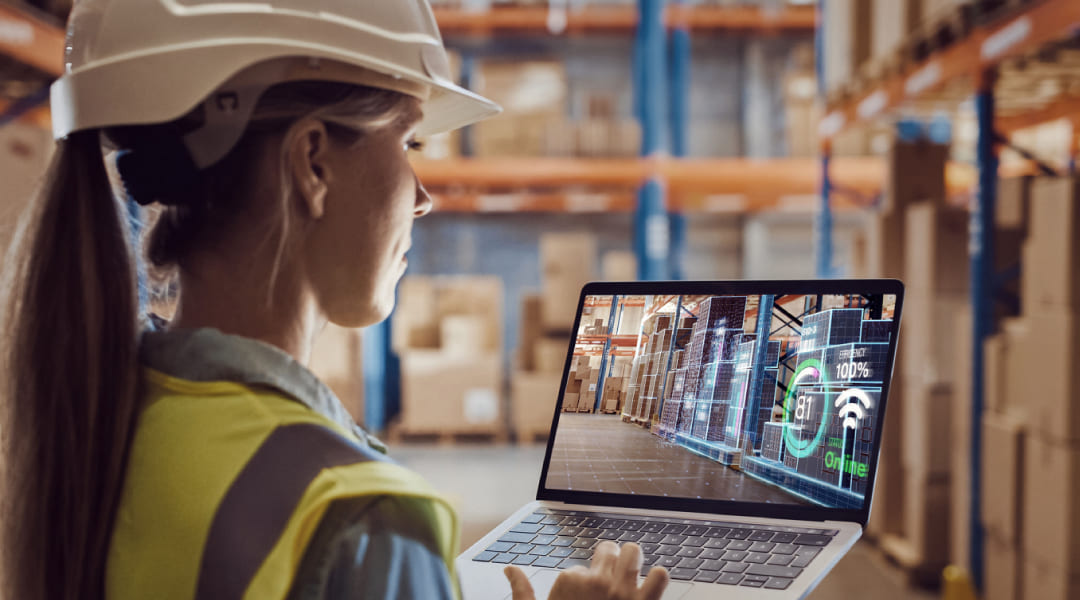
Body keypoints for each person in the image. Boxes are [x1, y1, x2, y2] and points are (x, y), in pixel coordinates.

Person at [0, 1, 670, 599]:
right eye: (408, 141)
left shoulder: (99, 414)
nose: (423, 196)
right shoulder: (360, 521)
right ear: (313, 163)